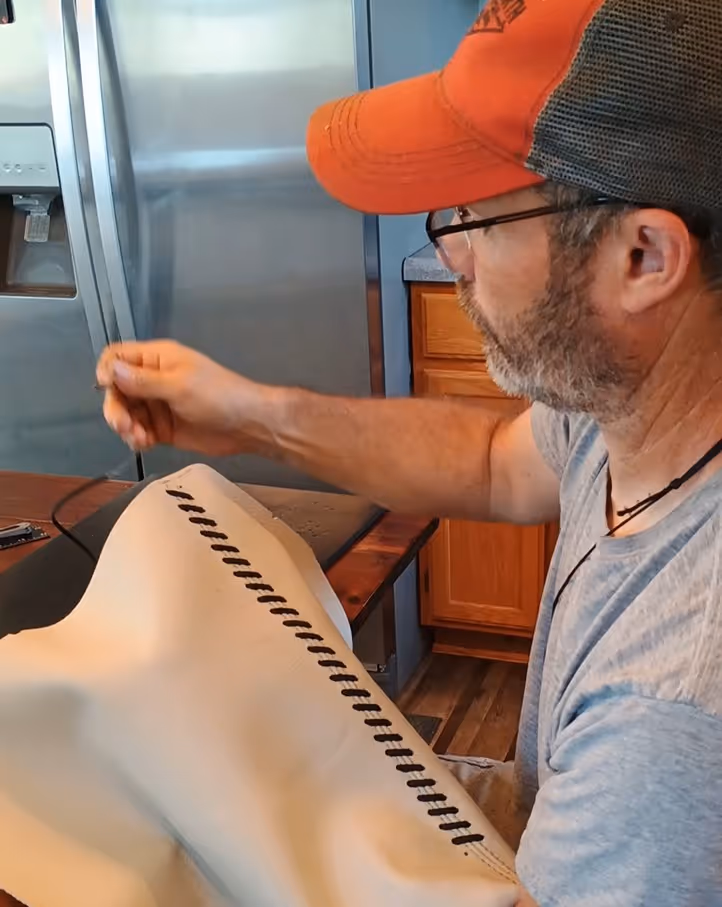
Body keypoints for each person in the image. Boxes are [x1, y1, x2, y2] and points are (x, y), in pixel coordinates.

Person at [96, 0, 722, 903]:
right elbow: (495, 462)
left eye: (473, 216)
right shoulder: (641, 393)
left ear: (642, 257)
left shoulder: (670, 718)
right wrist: (250, 416)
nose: (453, 257)